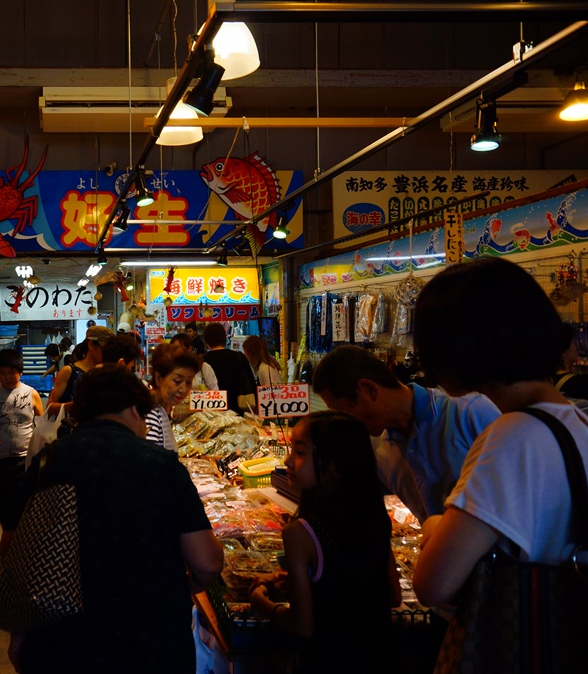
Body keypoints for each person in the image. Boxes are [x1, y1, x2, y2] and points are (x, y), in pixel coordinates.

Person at [0, 365, 223, 673]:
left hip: (62, 641)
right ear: (134, 409)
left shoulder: (48, 462)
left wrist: (20, 631)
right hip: (152, 639)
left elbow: (13, 548)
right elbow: (208, 563)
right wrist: (183, 586)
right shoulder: (162, 466)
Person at [411, 259, 588, 636]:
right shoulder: (577, 423)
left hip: (518, 645)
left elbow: (433, 584)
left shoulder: (511, 436)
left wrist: (435, 525)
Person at [250, 411, 400, 674]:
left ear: (334, 465)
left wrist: (261, 603)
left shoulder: (301, 532)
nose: (288, 461)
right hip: (379, 657)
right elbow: (392, 596)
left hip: (326, 660)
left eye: (299, 452)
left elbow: (302, 626)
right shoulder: (376, 518)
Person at [311, 345, 499, 523]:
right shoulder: (379, 450)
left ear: (368, 390)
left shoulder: (469, 412)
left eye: (343, 411)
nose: (346, 424)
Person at [0, 348, 43, 518]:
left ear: (20, 372)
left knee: (23, 505)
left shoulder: (31, 394)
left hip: (24, 459)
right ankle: (8, 536)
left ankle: (16, 540)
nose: (7, 377)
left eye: (12, 373)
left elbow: (42, 425)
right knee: (0, 504)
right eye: (2, 373)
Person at [45, 325, 112, 416]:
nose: (108, 353)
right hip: (73, 428)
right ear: (91, 345)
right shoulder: (69, 371)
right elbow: (49, 407)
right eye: (105, 349)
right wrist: (76, 405)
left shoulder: (106, 373)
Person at [145, 343, 201, 451]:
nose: (183, 389)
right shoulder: (151, 416)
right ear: (158, 378)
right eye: (177, 381)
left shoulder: (165, 409)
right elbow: (150, 462)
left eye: (189, 382)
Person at [202, 322, 257, 414]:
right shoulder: (239, 357)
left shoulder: (202, 361)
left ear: (206, 341)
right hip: (239, 410)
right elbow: (251, 383)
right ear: (224, 338)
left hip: (213, 413)